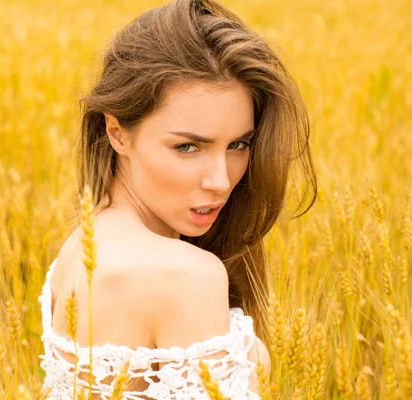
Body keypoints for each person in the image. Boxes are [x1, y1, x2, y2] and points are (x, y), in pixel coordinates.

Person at [38, 0, 317, 398]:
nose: (221, 181)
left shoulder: (82, 247)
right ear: (118, 133)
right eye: (188, 147)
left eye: (239, 144)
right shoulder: (186, 275)